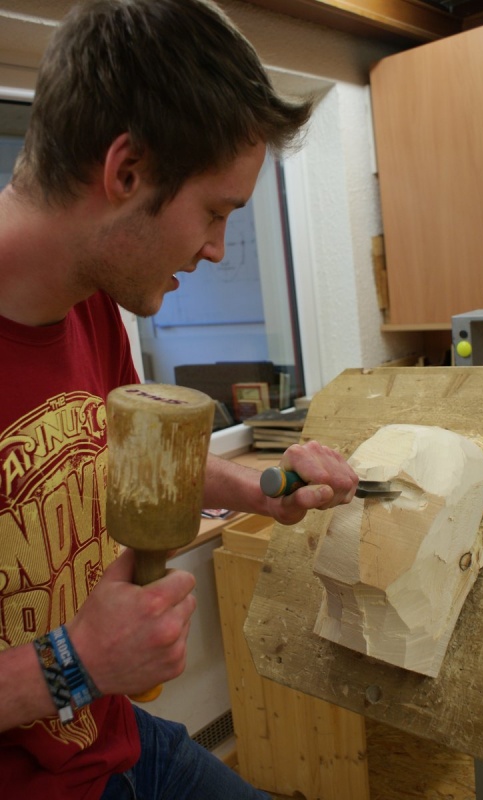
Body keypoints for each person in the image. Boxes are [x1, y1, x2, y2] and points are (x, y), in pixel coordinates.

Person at [0, 1, 359, 798]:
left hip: (121, 746)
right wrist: (74, 664)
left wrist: (267, 488)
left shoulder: (87, 301)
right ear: (127, 172)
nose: (218, 249)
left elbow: (134, 463)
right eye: (215, 212)